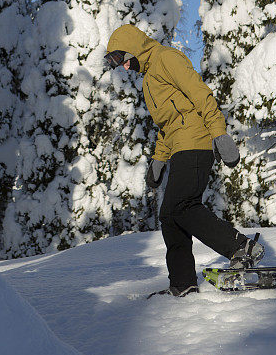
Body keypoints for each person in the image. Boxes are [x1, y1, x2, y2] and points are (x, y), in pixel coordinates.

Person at [105, 23, 264, 298]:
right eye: (117, 64)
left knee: (182, 206)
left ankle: (241, 247)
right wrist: (158, 161)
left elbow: (200, 93)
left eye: (123, 59)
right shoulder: (148, 81)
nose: (125, 67)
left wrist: (219, 133)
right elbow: (167, 126)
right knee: (169, 215)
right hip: (180, 146)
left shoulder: (167, 58)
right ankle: (183, 283)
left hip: (198, 140)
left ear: (133, 47)